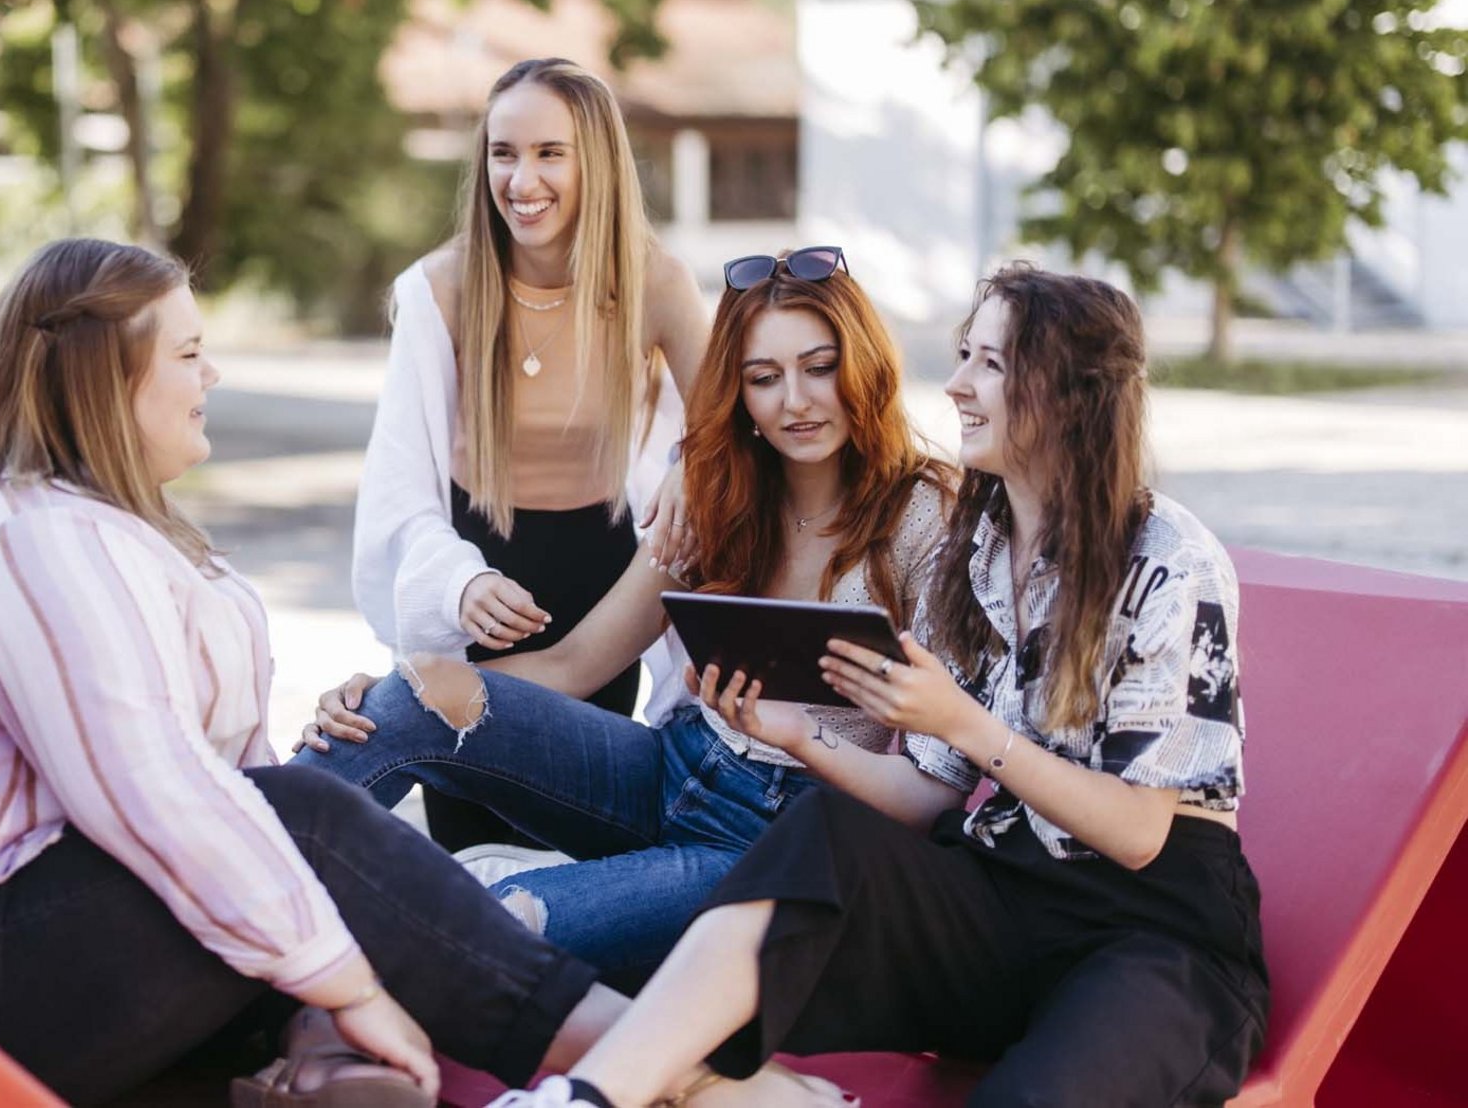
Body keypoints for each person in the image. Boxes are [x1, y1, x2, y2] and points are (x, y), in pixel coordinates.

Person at [484, 263, 1270, 1108]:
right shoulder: (977, 548)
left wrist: (968, 726)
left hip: (1155, 935)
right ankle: (588, 1098)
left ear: (1067, 391)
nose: (957, 384)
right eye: (964, 355)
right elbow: (927, 792)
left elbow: (1141, 833)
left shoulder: (1165, 559)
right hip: (1004, 897)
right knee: (820, 838)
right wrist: (792, 731)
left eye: (990, 364)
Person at [0, 238, 638, 1107]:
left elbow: (229, 778)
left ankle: (303, 1062)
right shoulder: (30, 537)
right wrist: (345, 982)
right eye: (188, 353)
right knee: (306, 827)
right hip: (3, 972)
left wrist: (319, 985)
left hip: (96, 930)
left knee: (308, 848)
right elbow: (149, 794)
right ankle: (662, 1068)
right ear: (104, 376)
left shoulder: (134, 536)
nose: (211, 375)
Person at [294, 248, 954, 986]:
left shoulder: (927, 517)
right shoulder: (719, 500)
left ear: (863, 364)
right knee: (413, 691)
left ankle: (281, 969)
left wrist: (802, 736)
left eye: (819, 367)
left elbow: (935, 778)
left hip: (776, 841)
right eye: (763, 379)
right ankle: (236, 870)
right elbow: (575, 664)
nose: (795, 401)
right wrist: (383, 697)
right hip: (669, 768)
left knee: (488, 920)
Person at [356, 56, 708, 849]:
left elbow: (730, 417)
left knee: (575, 829)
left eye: (550, 153)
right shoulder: (437, 288)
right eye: (503, 153)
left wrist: (692, 465)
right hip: (474, 585)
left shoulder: (654, 282)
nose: (522, 179)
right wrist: (458, 582)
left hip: (601, 578)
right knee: (470, 840)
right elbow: (399, 483)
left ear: (597, 160)